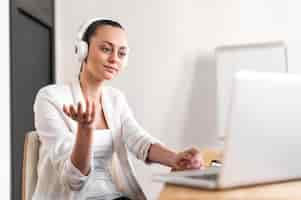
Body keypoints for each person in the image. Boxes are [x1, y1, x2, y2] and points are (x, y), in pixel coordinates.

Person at [32, 18, 204, 200]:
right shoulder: (51, 97)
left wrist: (176, 159)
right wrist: (85, 130)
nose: (114, 58)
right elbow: (73, 179)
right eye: (106, 49)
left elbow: (139, 141)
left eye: (121, 53)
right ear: (83, 50)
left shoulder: (115, 98)